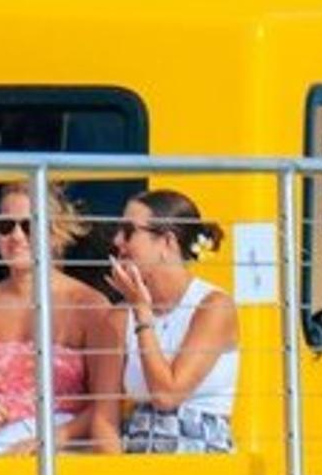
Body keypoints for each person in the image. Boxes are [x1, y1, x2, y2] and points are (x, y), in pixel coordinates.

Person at [0, 183, 117, 456]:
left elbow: (106, 405)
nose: (17, 236)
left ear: (55, 233)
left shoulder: (89, 306)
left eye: (29, 226)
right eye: (6, 226)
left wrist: (51, 440)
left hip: (63, 445)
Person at [95, 190, 239, 453]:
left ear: (167, 242)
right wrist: (116, 473)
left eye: (128, 231)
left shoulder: (213, 306)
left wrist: (142, 312)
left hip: (201, 457)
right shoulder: (118, 319)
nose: (117, 241)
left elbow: (167, 395)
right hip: (138, 454)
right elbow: (104, 419)